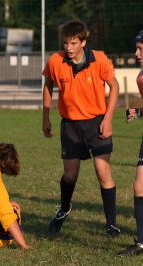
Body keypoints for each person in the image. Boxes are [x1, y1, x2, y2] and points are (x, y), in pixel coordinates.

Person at [42, 20, 120, 237]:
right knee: (70, 175)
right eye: (65, 43)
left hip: (97, 123)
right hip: (70, 126)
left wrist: (108, 119)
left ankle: (111, 223)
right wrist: (45, 117)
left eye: (73, 43)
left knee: (103, 172)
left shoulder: (99, 59)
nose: (68, 47)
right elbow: (48, 84)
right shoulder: (56, 61)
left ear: (83, 42)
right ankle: (65, 208)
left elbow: (115, 86)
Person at [117, 29, 143, 257]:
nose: (136, 53)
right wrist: (139, 112)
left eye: (141, 49)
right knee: (139, 186)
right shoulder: (141, 78)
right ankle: (141, 243)